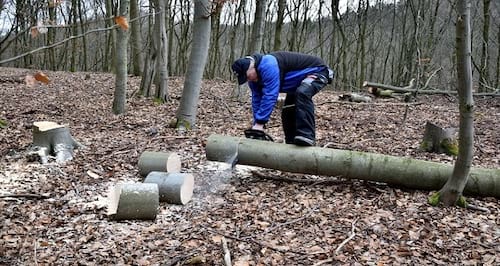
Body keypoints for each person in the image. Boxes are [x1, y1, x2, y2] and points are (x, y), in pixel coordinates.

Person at [231, 51, 333, 146]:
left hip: (317, 71)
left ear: (251, 66)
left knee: (302, 93)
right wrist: (256, 125)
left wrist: (260, 122)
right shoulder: (253, 79)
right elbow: (257, 99)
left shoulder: (268, 65)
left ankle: (307, 135)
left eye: (248, 76)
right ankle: (290, 142)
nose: (249, 79)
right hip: (296, 84)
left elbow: (270, 95)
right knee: (288, 109)